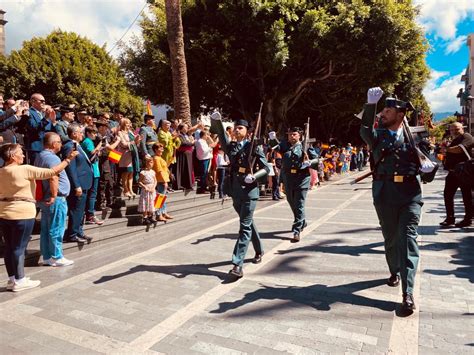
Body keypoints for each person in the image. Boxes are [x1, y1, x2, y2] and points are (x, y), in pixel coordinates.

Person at [360, 87, 428, 313]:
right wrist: (371, 106)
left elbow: (429, 170)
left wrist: (429, 168)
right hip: (385, 192)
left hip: (410, 194)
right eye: (383, 110)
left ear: (400, 114)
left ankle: (407, 293)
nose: (383, 114)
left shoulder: (416, 136)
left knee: (408, 239)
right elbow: (365, 129)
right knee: (390, 239)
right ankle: (394, 270)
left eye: (387, 110)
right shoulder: (377, 135)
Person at [0, 143, 78, 291]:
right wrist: (68, 159)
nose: (23, 155)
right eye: (20, 153)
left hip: (4, 212)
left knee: (10, 247)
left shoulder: (1, 171)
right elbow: (52, 172)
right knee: (19, 248)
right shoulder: (25, 169)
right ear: (12, 156)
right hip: (22, 213)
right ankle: (20, 280)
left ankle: (13, 279)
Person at [211, 113, 271, 279]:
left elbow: (267, 168)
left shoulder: (253, 147)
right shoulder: (232, 147)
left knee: (244, 226)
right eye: (235, 128)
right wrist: (217, 121)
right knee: (248, 224)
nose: (236, 130)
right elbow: (222, 136)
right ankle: (259, 250)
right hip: (235, 191)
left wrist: (255, 176)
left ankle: (237, 264)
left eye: (240, 128)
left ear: (247, 131)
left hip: (250, 192)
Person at [269, 127, 318, 242]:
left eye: (294, 134)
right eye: (290, 134)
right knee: (292, 203)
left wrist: (309, 163)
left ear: (299, 135)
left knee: (299, 203)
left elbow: (317, 160)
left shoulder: (305, 146)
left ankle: (296, 231)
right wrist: (272, 138)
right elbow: (275, 146)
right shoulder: (285, 146)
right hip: (288, 179)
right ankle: (302, 221)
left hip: (302, 179)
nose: (291, 136)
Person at [34, 133, 74, 267]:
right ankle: (57, 256)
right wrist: (54, 195)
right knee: (57, 227)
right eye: (59, 141)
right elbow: (53, 177)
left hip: (46, 198)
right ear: (53, 144)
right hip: (55, 198)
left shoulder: (40, 156)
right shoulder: (52, 158)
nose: (61, 144)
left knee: (46, 228)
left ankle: (47, 256)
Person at [62, 123, 94, 244]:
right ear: (74, 133)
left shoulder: (77, 145)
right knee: (76, 209)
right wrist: (76, 185)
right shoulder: (70, 146)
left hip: (85, 183)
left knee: (81, 210)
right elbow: (71, 168)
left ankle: (79, 231)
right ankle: (72, 233)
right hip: (79, 184)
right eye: (80, 132)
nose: (82, 135)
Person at [439, 122, 473, 228]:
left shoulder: (467, 137)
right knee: (448, 195)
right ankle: (450, 218)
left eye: (456, 129)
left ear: (462, 128)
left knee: (466, 196)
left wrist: (447, 149)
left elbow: (460, 149)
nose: (454, 131)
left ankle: (468, 219)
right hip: (453, 172)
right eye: (452, 130)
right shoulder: (453, 140)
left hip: (464, 172)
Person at [81, 126, 104, 225]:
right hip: (92, 171)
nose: (95, 135)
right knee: (92, 194)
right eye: (93, 133)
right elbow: (92, 152)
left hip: (95, 170)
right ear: (88, 133)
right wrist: (100, 144)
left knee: (92, 194)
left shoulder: (90, 141)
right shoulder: (87, 141)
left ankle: (89, 214)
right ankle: (90, 215)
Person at [152, 143, 173, 221]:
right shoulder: (156, 158)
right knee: (159, 198)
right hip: (161, 180)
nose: (162, 149)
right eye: (160, 148)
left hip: (163, 180)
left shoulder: (160, 158)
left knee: (162, 198)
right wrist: (164, 181)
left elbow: (164, 168)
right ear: (155, 150)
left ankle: (164, 213)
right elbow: (159, 170)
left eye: (162, 148)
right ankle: (158, 214)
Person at [175, 123, 196, 190]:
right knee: (184, 169)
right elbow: (183, 143)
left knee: (188, 170)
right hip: (182, 155)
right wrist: (192, 143)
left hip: (188, 155)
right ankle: (183, 184)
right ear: (182, 128)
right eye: (186, 127)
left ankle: (188, 184)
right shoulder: (179, 135)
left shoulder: (185, 135)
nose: (187, 128)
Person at [137, 156, 157, 224]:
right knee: (146, 203)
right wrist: (144, 186)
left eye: (151, 162)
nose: (150, 164)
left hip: (152, 189)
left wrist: (154, 187)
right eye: (148, 162)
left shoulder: (153, 172)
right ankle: (145, 217)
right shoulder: (143, 172)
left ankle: (150, 216)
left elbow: (155, 181)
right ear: (145, 163)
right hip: (146, 189)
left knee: (151, 202)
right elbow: (139, 181)